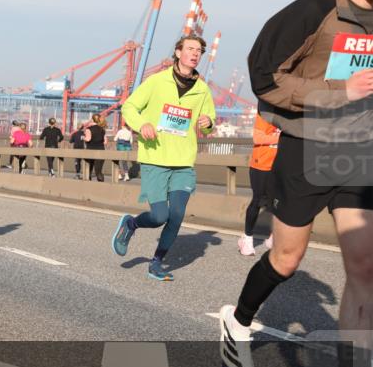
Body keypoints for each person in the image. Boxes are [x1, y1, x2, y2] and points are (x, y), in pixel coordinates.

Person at [219, 0, 373, 367]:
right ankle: (239, 320)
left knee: (364, 267)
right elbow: (264, 78)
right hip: (307, 149)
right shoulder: (313, 10)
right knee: (286, 259)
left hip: (360, 153)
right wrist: (339, 93)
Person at [111, 34, 217, 282]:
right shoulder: (156, 81)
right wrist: (141, 124)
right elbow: (129, 107)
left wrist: (208, 122)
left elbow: (210, 121)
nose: (195, 53)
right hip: (155, 157)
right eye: (190, 48)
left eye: (199, 50)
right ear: (178, 52)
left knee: (177, 214)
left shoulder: (202, 89)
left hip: (183, 162)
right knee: (160, 216)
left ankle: (156, 263)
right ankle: (131, 225)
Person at [238, 114, 280, 256]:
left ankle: (273, 237)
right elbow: (258, 138)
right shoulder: (265, 114)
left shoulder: (288, 116)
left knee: (280, 202)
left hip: (279, 166)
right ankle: (247, 237)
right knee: (258, 201)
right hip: (261, 165)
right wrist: (283, 138)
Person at [84, 114, 107, 182]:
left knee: (89, 170)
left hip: (90, 150)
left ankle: (88, 185)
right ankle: (101, 185)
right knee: (98, 171)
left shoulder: (89, 129)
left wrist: (83, 138)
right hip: (101, 150)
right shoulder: (102, 129)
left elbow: (88, 139)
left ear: (92, 119)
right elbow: (105, 142)